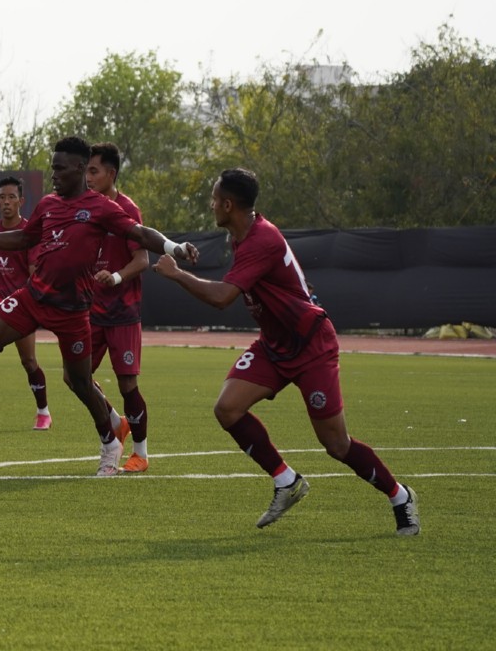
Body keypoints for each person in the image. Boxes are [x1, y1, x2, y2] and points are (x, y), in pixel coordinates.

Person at [156, 167, 419, 535]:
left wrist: (177, 274)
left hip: (311, 346)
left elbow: (221, 298)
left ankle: (400, 496)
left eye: (214, 198)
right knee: (227, 408)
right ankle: (286, 480)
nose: (211, 203)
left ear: (229, 205)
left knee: (336, 444)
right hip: (275, 344)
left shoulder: (260, 239)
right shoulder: (243, 235)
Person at [0, 137, 199, 475]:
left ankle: (110, 442)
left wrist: (173, 247)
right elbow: (24, 238)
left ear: (78, 168)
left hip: (73, 311)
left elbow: (139, 233)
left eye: (60, 168)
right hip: (33, 298)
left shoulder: (100, 207)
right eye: (53, 168)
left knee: (80, 382)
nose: (54, 175)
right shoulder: (48, 204)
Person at [85, 144, 151, 471]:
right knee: (74, 375)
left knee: (128, 384)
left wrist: (115, 276)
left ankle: (140, 453)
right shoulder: (86, 209)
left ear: (111, 173)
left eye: (93, 171)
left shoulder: (127, 210)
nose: (88, 177)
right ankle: (115, 420)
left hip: (123, 311)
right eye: (86, 171)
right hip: (92, 311)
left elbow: (142, 259)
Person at [0, 177, 52, 431]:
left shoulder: (28, 234)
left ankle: (43, 411)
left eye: (11, 197)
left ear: (21, 201)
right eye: (2, 197)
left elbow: (33, 272)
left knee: (28, 361)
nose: (6, 202)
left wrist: (28, 305)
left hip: (20, 308)